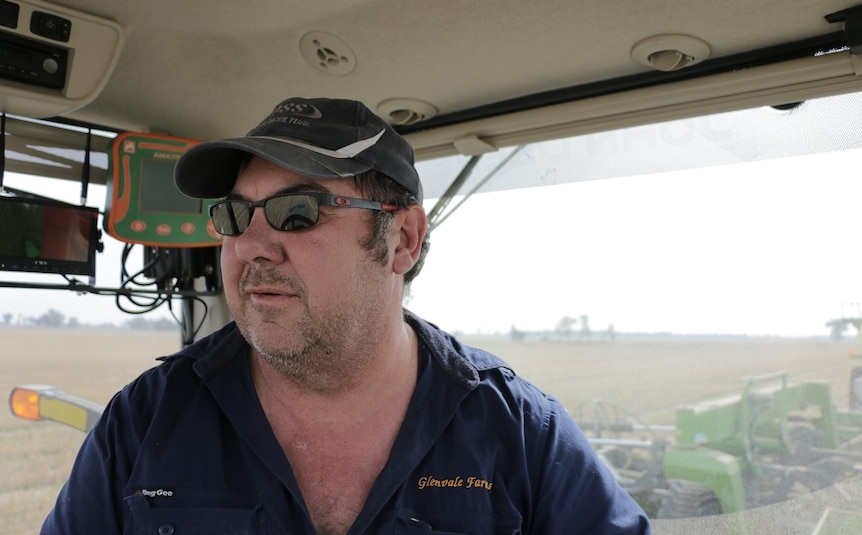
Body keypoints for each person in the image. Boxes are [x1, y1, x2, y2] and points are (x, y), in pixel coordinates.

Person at [42, 97, 652, 534]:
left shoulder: (518, 432)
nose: (252, 245)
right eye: (233, 216)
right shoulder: (146, 421)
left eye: (298, 212)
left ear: (402, 240)